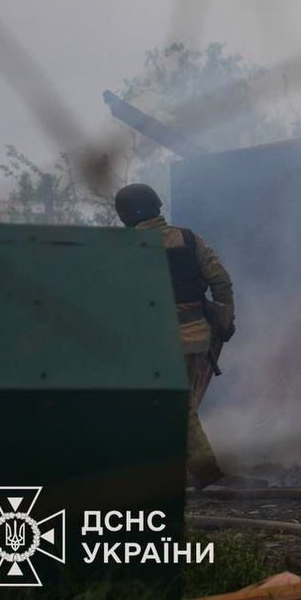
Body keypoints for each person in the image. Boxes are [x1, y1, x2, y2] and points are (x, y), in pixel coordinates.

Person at [114, 183, 239, 490]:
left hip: (152, 345)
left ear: (126, 215)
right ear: (156, 207)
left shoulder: (123, 248)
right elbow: (221, 281)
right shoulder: (188, 239)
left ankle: (207, 473)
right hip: (196, 337)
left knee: (175, 407)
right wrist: (224, 319)